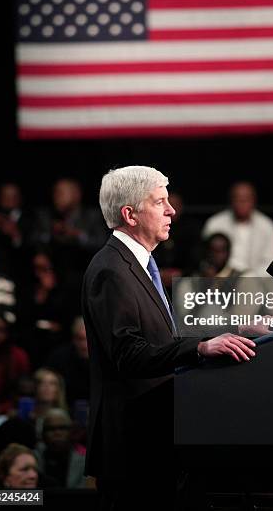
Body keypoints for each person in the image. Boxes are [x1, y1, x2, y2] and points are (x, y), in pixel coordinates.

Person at [82, 166, 256, 508]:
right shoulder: (110, 270)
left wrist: (230, 333)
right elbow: (129, 354)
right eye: (160, 202)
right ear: (129, 214)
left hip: (155, 441)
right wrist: (203, 348)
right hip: (132, 449)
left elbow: (162, 338)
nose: (171, 210)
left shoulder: (137, 265)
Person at [202, 181, 273, 275]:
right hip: (222, 277)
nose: (242, 202)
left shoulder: (266, 225)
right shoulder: (215, 224)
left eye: (246, 199)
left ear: (254, 201)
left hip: (257, 279)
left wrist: (251, 276)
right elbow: (206, 258)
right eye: (238, 199)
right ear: (231, 200)